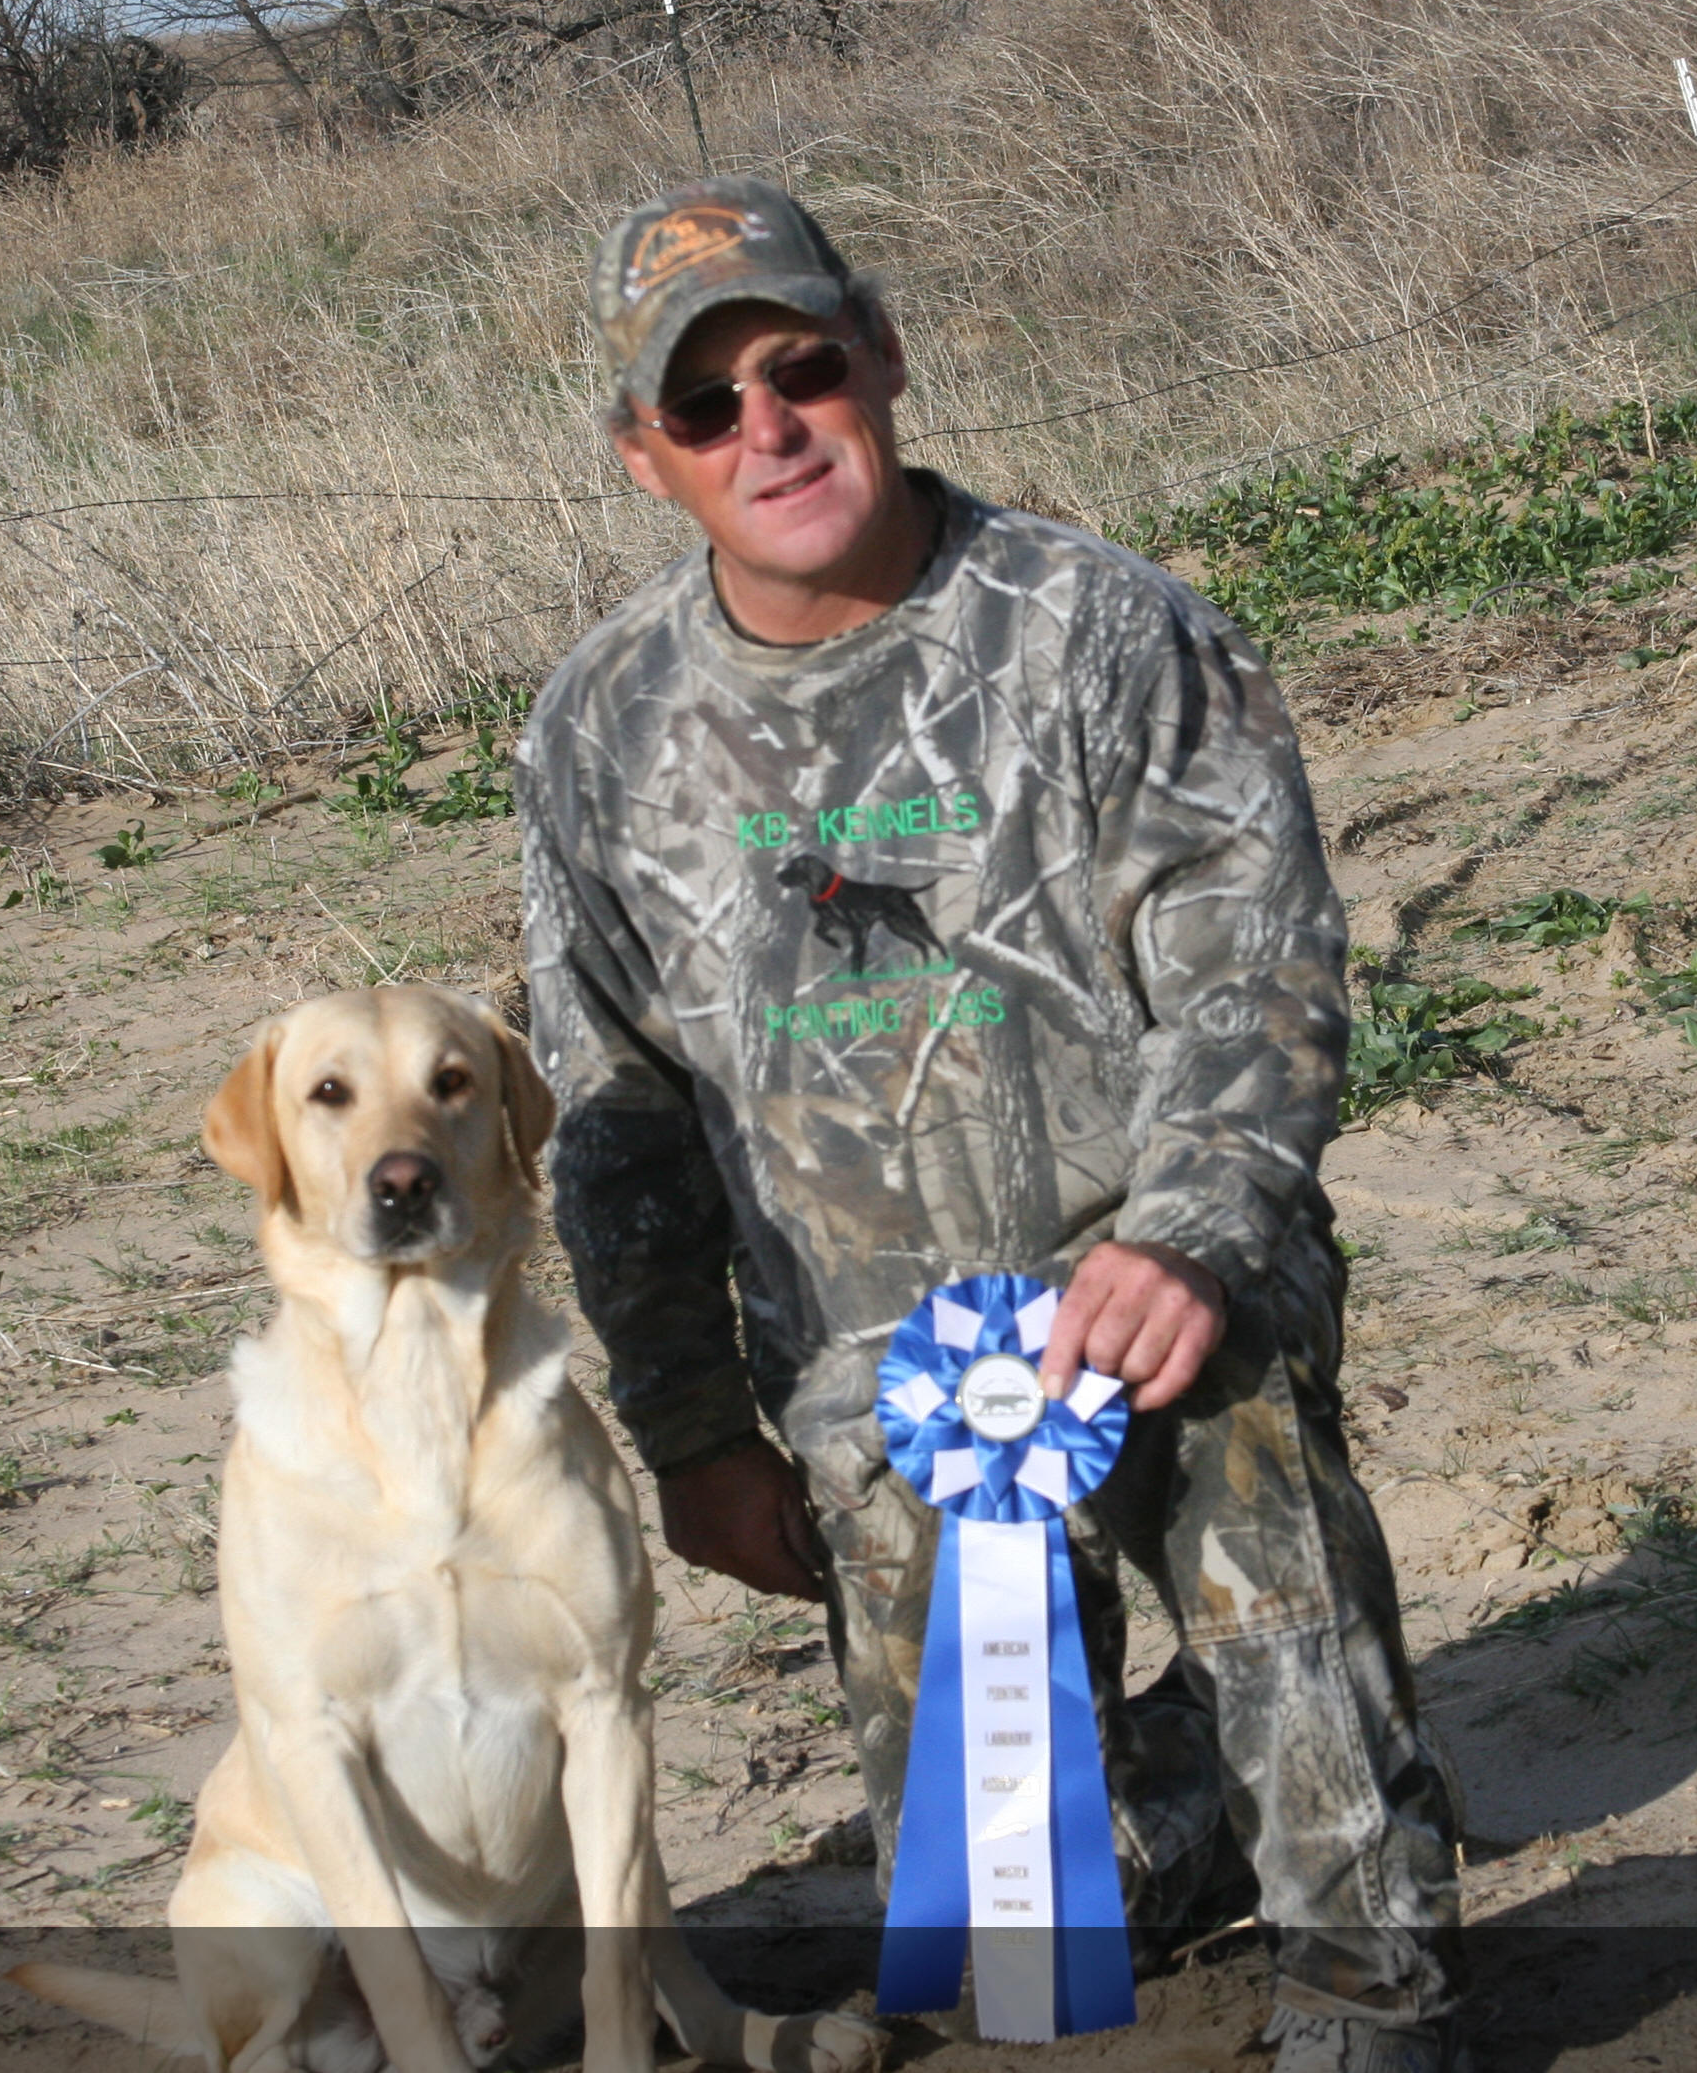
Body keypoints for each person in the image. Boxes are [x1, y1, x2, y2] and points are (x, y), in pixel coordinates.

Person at [516, 177, 1469, 2073]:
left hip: (1155, 1282)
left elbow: (1255, 966)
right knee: (1000, 1942)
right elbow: (614, 1121)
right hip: (872, 1378)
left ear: (880, 358)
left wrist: (1193, 1229)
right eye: (706, 408)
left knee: (1250, 1482)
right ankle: (1167, 1821)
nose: (768, 428)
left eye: (802, 369)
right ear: (647, 458)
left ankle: (1369, 1977)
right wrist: (697, 1429)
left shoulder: (1106, 630)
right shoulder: (600, 731)